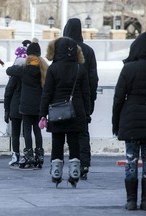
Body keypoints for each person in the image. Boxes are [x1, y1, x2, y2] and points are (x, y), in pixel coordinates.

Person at [112, 32, 146, 211]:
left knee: (131, 160)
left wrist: (115, 122)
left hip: (130, 119)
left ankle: (131, 200)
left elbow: (118, 98)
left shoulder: (129, 68)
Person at [39, 37, 90, 188]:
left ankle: (56, 172)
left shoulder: (53, 69)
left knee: (57, 141)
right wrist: (87, 113)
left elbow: (47, 93)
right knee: (74, 142)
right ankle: (74, 171)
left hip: (57, 110)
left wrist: (42, 113)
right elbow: (86, 93)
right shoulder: (81, 68)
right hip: (77, 110)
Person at [63, 18, 99, 180]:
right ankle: (84, 164)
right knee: (83, 132)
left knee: (66, 132)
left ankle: (72, 162)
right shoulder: (88, 51)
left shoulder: (62, 49)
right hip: (83, 98)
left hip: (63, 98)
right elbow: (93, 79)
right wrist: (91, 100)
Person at [6, 38, 48, 169]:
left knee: (27, 131)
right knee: (37, 131)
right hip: (39, 105)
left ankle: (29, 155)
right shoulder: (44, 69)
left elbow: (9, 70)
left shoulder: (24, 69)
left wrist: (19, 63)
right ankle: (40, 155)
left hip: (25, 105)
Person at [4, 39, 31, 167]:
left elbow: (8, 91)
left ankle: (15, 154)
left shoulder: (14, 75)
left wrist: (6, 109)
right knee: (26, 132)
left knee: (15, 133)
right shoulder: (30, 74)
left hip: (15, 107)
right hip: (27, 106)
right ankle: (28, 154)